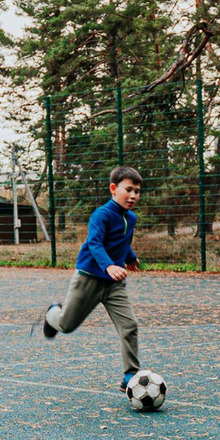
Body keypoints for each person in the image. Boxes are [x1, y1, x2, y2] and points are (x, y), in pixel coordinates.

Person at [38, 165, 142, 386]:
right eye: (128, 189)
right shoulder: (101, 214)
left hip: (114, 284)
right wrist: (109, 266)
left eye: (137, 191)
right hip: (89, 278)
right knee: (66, 326)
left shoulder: (130, 218)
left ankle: (130, 376)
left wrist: (130, 257)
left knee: (129, 325)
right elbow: (95, 242)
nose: (133, 195)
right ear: (113, 189)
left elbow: (122, 240)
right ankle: (52, 313)